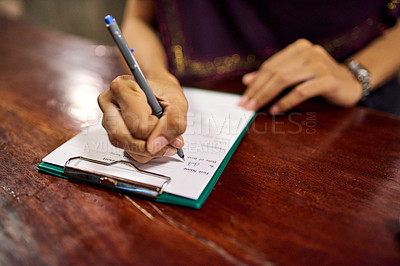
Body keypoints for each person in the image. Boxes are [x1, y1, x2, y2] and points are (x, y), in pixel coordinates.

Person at [98, 0, 400, 163]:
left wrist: (356, 72)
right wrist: (156, 77)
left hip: (345, 106)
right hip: (199, 93)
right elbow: (140, 19)